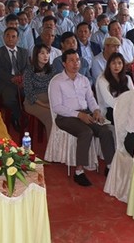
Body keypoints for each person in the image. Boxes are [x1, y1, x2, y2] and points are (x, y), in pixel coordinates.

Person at [48, 50, 115, 187]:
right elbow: (57, 107)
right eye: (71, 60)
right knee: (86, 132)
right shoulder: (57, 81)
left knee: (106, 130)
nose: (75, 63)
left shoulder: (83, 79)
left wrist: (96, 111)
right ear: (64, 63)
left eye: (77, 60)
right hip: (65, 117)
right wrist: (78, 115)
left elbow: (90, 99)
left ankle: (109, 166)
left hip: (85, 113)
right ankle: (79, 172)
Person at [0, 27, 29, 128]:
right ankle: (18, 116)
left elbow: (27, 68)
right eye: (7, 36)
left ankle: (25, 116)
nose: (10, 39)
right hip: (6, 83)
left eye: (13, 36)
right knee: (9, 99)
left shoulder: (24, 52)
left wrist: (22, 78)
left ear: (17, 39)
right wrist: (12, 78)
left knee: (30, 95)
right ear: (4, 38)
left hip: (21, 82)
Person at [22, 44, 54, 140]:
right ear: (36, 55)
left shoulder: (52, 70)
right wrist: (46, 105)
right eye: (42, 53)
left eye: (47, 53)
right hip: (32, 102)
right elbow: (29, 94)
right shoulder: (29, 71)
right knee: (50, 116)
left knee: (63, 114)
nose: (46, 56)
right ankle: (52, 150)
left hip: (49, 100)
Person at [95, 53, 133, 124]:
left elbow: (133, 95)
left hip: (128, 107)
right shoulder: (102, 80)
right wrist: (125, 107)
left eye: (119, 63)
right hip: (112, 110)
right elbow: (109, 101)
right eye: (113, 63)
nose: (117, 66)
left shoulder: (127, 78)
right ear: (109, 65)